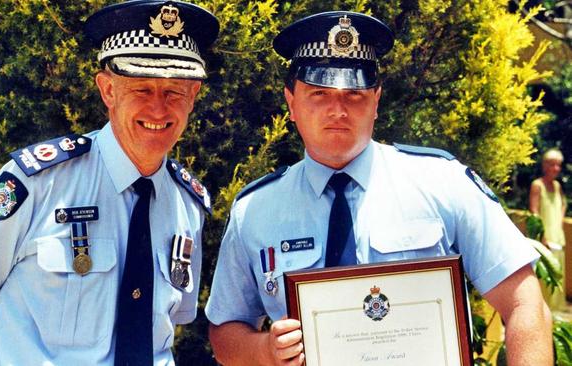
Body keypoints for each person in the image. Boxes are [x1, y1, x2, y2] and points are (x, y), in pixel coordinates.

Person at [206, 11, 552, 366]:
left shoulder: (441, 183)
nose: (337, 109)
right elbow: (224, 331)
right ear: (291, 103)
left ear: (376, 101)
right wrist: (265, 351)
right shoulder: (255, 209)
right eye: (319, 93)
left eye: (354, 94)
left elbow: (524, 302)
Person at [0, 1, 217, 365]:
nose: (159, 109)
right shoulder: (37, 184)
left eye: (174, 92)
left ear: (192, 97)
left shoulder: (187, 206)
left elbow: (164, 331)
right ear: (108, 91)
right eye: (141, 89)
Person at [530, 148, 567, 309]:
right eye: (552, 164)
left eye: (558, 165)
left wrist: (558, 221)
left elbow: (563, 204)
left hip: (558, 238)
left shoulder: (557, 186)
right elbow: (534, 211)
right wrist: (543, 235)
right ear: (544, 165)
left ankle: (555, 318)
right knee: (545, 281)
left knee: (559, 279)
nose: (556, 169)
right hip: (544, 240)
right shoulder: (537, 185)